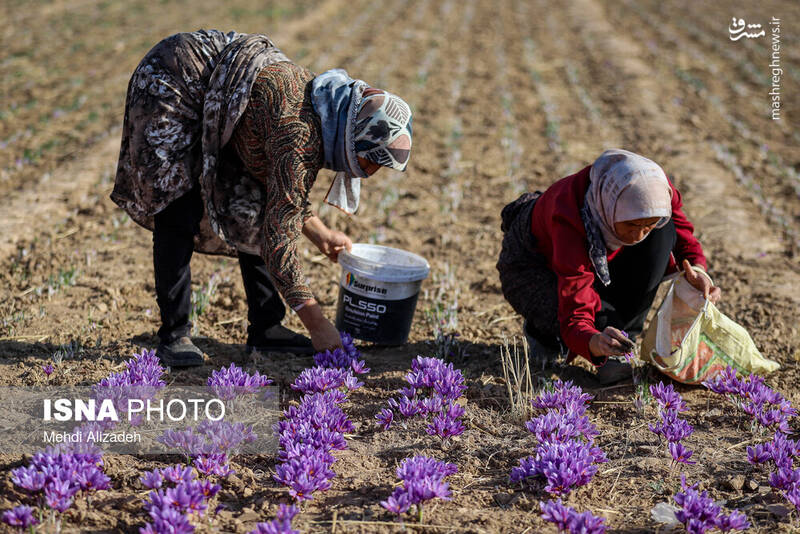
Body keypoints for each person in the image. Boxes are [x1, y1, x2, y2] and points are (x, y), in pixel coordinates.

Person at [111, 30, 412, 367]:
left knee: (253, 205)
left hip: (223, 91)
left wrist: (320, 234)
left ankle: (267, 329)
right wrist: (319, 325)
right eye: (373, 161)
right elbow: (280, 240)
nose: (369, 173)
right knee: (179, 202)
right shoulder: (298, 134)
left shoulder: (325, 115)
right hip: (176, 80)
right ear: (356, 135)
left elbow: (282, 195)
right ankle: (174, 334)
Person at [496, 149, 720, 383]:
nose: (638, 235)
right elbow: (575, 303)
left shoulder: (656, 190)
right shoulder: (570, 219)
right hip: (535, 268)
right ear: (609, 208)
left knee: (663, 232)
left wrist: (697, 270)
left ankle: (621, 339)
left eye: (647, 225)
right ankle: (546, 336)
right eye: (631, 224)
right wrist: (592, 339)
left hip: (600, 255)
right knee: (564, 314)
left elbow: (681, 232)